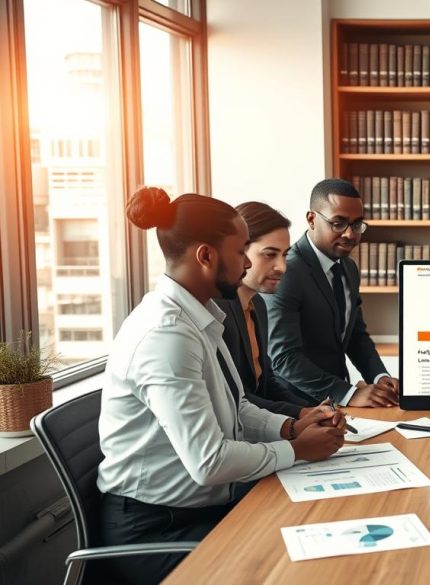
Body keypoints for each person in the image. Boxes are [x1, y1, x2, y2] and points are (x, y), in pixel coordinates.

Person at [98, 187, 348, 584]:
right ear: (206, 255)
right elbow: (209, 461)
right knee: (301, 566)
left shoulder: (200, 316)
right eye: (240, 251)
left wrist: (289, 427)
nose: (246, 262)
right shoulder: (167, 336)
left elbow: (237, 407)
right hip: (158, 530)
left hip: (198, 510)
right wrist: (297, 450)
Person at [266, 178, 398, 407]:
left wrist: (380, 377)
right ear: (311, 219)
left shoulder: (348, 268)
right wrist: (349, 394)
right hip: (297, 407)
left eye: (357, 225)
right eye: (338, 223)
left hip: (339, 407)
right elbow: (284, 358)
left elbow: (355, 335)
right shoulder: (287, 271)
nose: (350, 234)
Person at [215, 201, 319, 419]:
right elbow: (237, 397)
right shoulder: (217, 312)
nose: (282, 267)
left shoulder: (259, 305)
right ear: (239, 251)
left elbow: (267, 382)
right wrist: (300, 416)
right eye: (269, 254)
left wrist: (309, 411)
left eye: (285, 255)